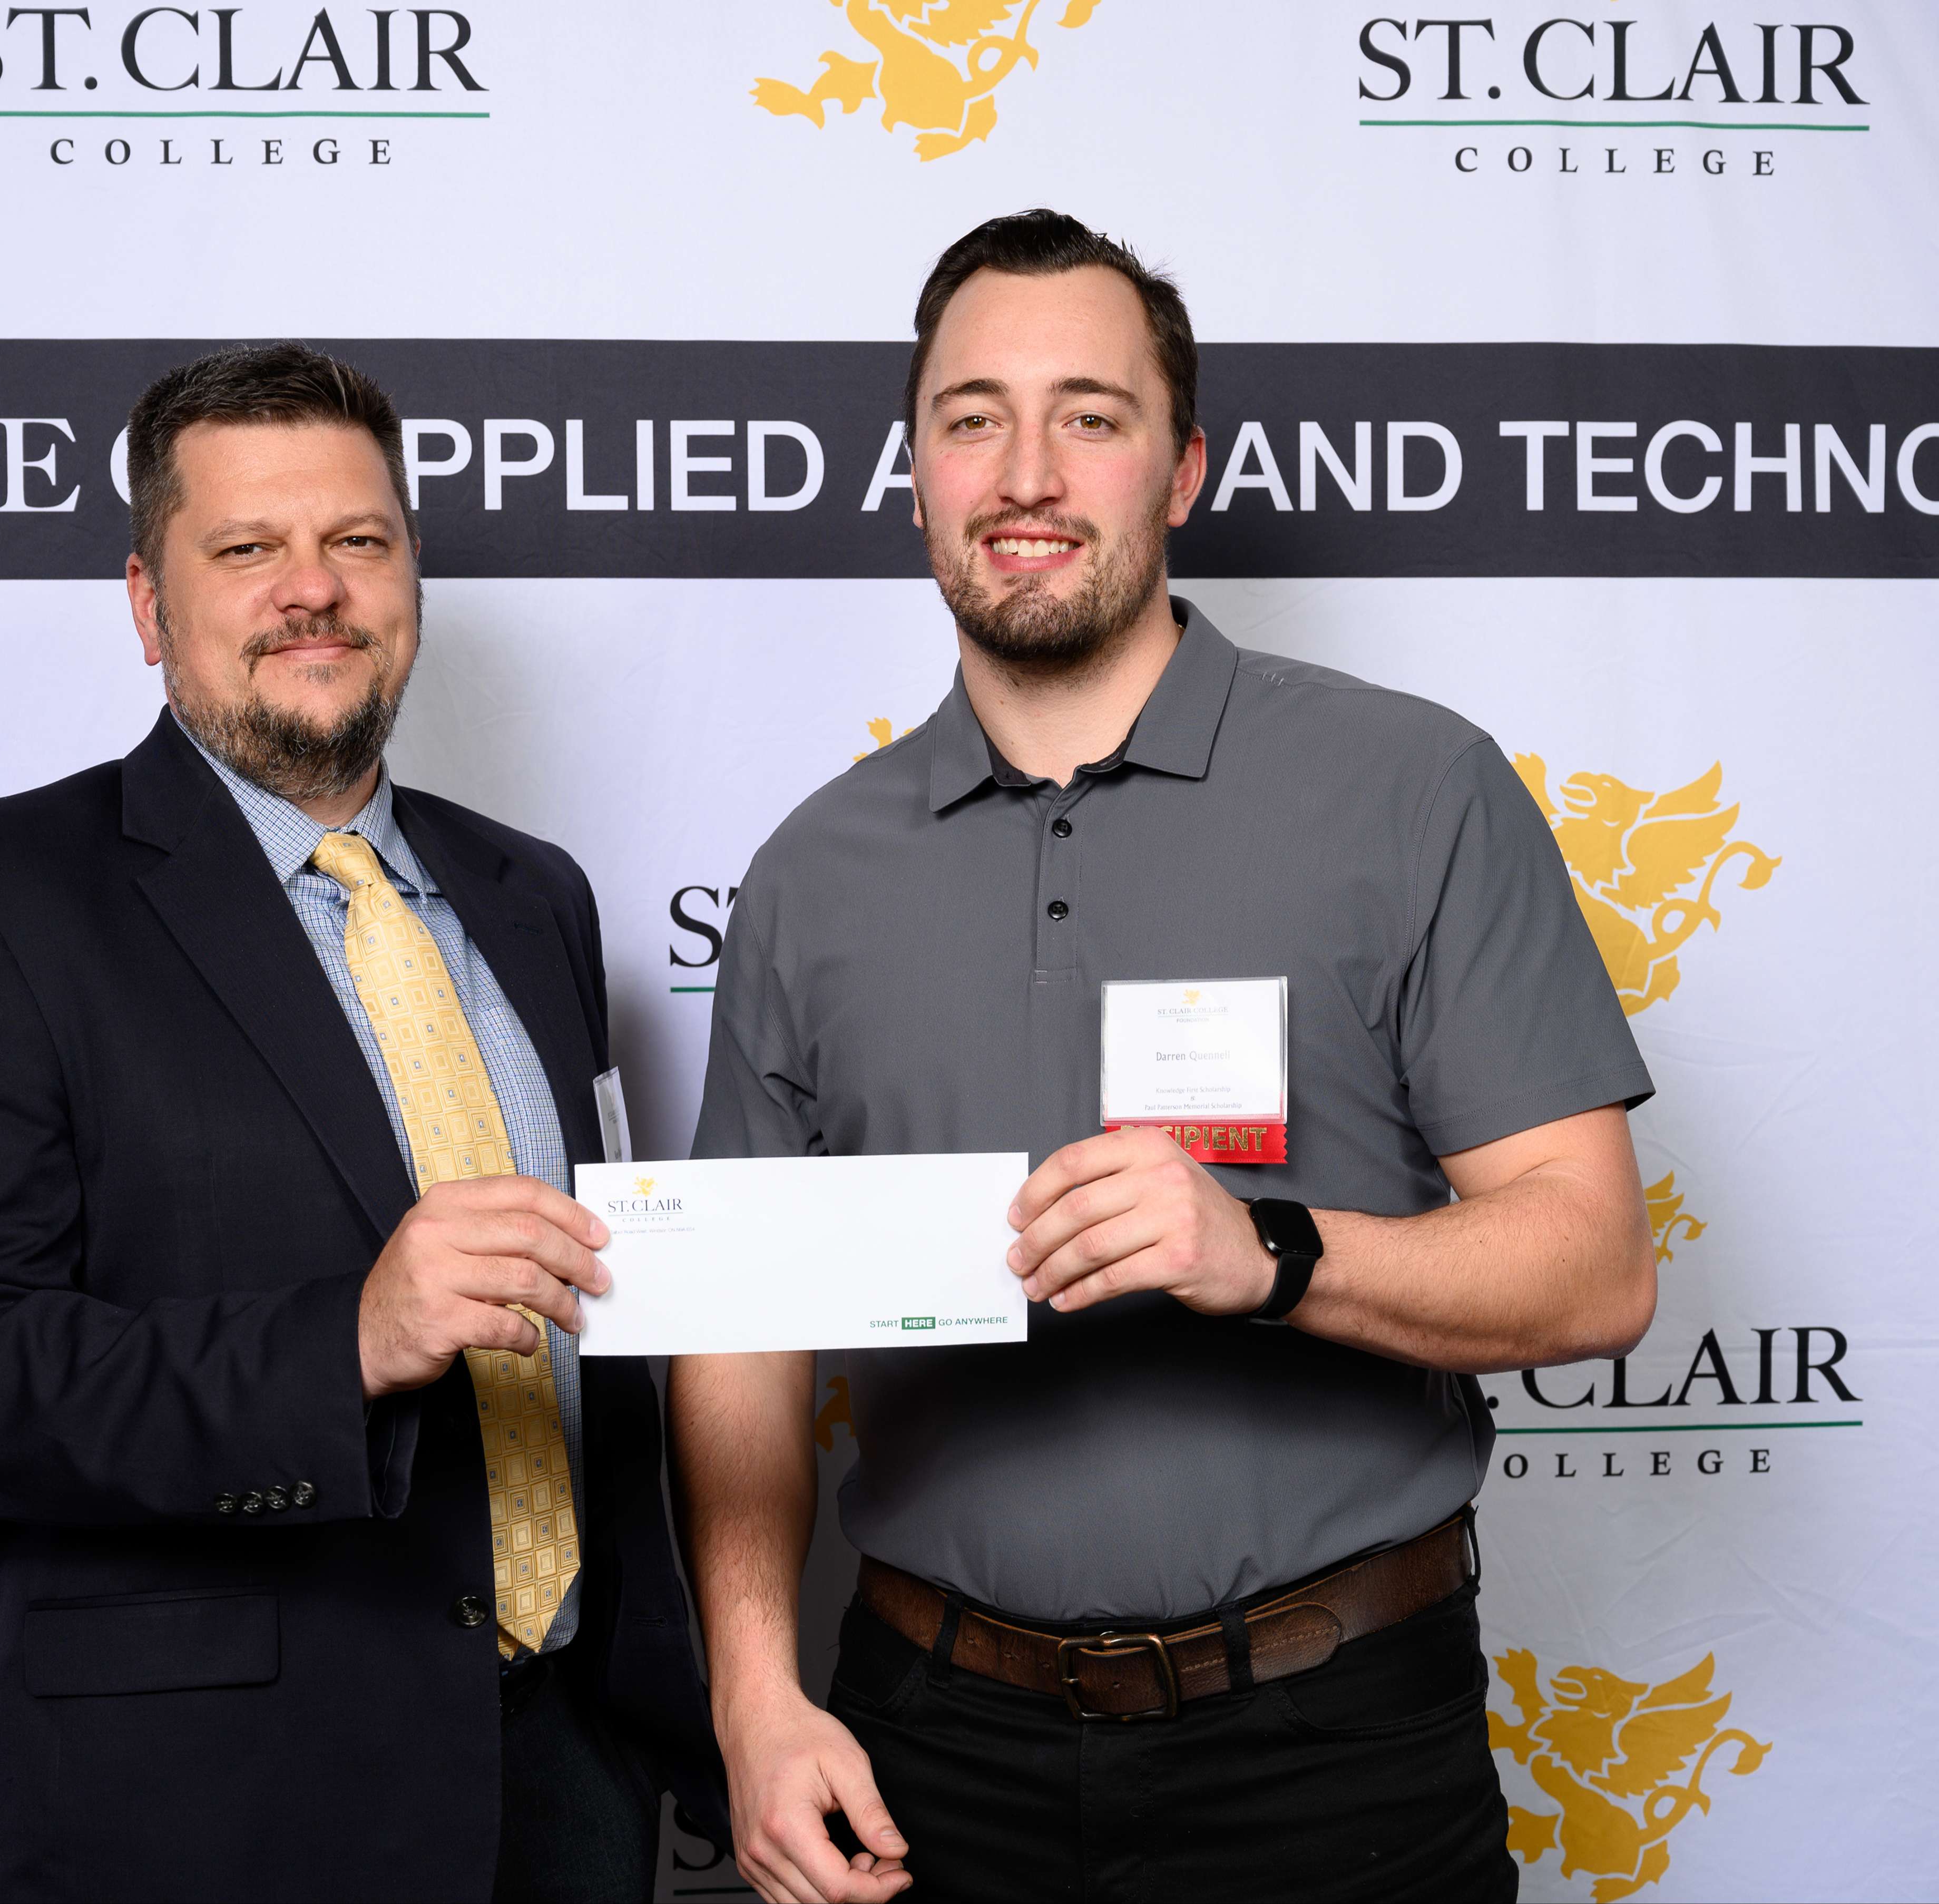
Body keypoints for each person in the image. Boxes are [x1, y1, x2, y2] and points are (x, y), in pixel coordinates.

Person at [669, 211, 1659, 1904]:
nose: (1026, 474)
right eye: (973, 419)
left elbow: (1597, 1265)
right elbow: (740, 1333)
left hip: (1330, 1744)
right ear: (915, 474)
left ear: (1184, 468)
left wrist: (1268, 1251)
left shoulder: (1414, 791)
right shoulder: (810, 873)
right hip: (930, 1746)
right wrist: (753, 1692)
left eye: (1091, 416)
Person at [0, 343, 720, 1903]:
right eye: (247, 548)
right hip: (208, 1807)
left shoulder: (533, 893)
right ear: (147, 602)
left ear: (411, 579)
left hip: (568, 1775)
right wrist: (349, 1341)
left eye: (357, 540)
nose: (313, 589)